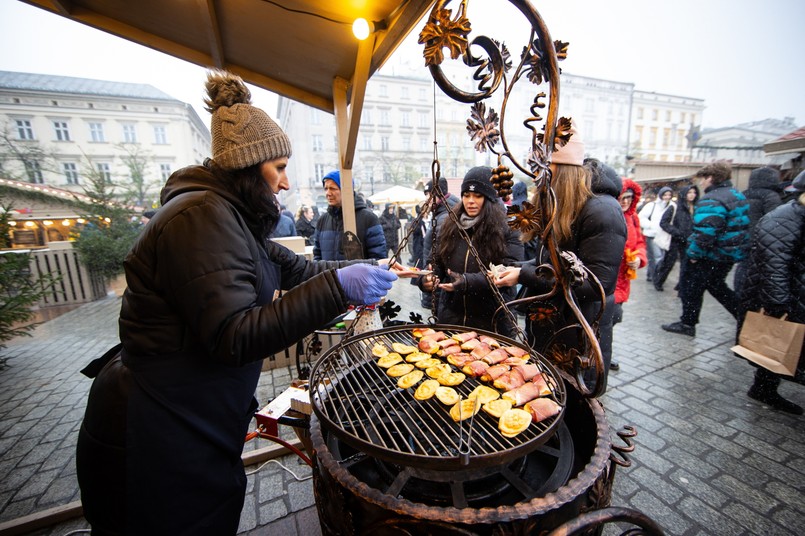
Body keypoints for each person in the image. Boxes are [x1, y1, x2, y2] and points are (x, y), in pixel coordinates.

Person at [74, 69, 399, 535]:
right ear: (250, 166)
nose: (285, 183)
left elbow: (300, 270)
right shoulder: (199, 218)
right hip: (157, 430)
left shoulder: (231, 219)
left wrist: (359, 271)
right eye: (280, 168)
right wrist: (340, 287)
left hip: (194, 416)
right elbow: (235, 335)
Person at [495, 122, 626, 389]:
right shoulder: (560, 203)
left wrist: (525, 274)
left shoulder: (602, 210)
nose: (536, 177)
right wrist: (516, 268)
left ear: (561, 170)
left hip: (577, 334)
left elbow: (594, 284)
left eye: (542, 169)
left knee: (571, 408)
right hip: (549, 326)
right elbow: (550, 261)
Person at [418, 166, 523, 337]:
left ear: (489, 198)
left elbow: (507, 271)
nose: (470, 201)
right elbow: (434, 262)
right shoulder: (450, 225)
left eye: (477, 195)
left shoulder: (508, 228)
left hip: (491, 323)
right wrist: (427, 279)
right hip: (452, 320)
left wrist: (467, 282)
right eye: (466, 195)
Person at [738, 169, 805, 415]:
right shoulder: (785, 218)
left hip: (793, 292)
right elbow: (774, 263)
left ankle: (765, 385)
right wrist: (777, 301)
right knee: (777, 341)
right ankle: (764, 387)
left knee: (785, 344)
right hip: (784, 294)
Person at [662, 162, 749, 337]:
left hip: (709, 256)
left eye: (702, 179)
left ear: (710, 178)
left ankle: (688, 323)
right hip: (727, 255)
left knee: (691, 288)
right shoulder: (737, 195)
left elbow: (706, 232)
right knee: (717, 287)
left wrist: (694, 254)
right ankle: (744, 317)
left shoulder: (712, 199)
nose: (701, 184)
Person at [610, 178, 647, 371]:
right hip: (608, 276)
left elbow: (640, 243)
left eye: (629, 198)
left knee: (614, 317)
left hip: (624, 278)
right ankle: (598, 354)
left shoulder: (633, 218)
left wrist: (639, 258)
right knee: (609, 316)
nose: (625, 202)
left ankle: (602, 353)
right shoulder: (608, 216)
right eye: (622, 198)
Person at [313, 170, 386, 260]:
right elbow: (317, 256)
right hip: (329, 274)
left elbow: (378, 259)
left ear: (346, 190)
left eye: (332, 188)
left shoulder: (368, 219)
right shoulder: (322, 221)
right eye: (326, 188)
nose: (328, 193)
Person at [733, 166, 782, 295]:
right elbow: (774, 222)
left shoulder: (744, 194)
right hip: (762, 242)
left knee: (743, 268)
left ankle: (740, 296)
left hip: (743, 239)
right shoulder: (772, 196)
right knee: (761, 272)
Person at [420, 176, 460, 308]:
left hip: (442, 285)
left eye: (429, 194)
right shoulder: (441, 213)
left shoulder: (444, 218)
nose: (426, 198)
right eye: (425, 194)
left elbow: (440, 256)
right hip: (438, 279)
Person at [653, 184, 700, 292]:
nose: (692, 195)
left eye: (694, 193)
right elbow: (663, 223)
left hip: (688, 241)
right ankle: (659, 281)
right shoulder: (675, 207)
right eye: (689, 192)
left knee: (686, 265)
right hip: (674, 240)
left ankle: (681, 286)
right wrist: (677, 232)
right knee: (668, 263)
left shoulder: (696, 207)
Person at [638, 186, 674, 283]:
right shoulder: (652, 205)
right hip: (652, 234)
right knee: (656, 257)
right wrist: (650, 226)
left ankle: (652, 275)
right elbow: (641, 217)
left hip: (665, 235)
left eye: (669, 195)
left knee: (659, 257)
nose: (667, 197)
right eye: (665, 194)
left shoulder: (673, 206)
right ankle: (655, 276)